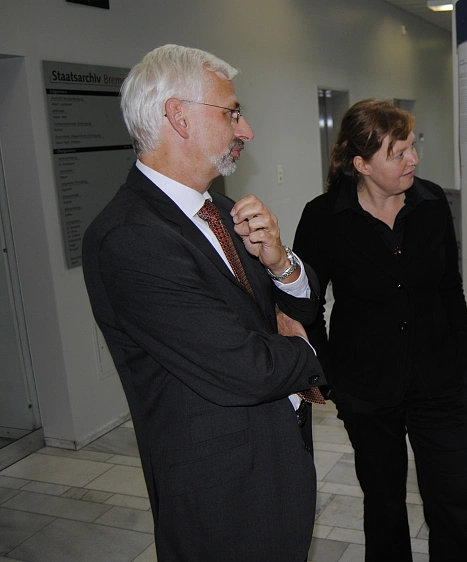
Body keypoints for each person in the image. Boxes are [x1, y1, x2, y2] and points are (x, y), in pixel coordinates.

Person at [82, 45, 324, 562]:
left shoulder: (225, 210)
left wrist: (283, 264)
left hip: (277, 466)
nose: (246, 130)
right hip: (223, 499)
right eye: (232, 112)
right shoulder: (130, 238)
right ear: (178, 116)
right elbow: (245, 367)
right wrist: (306, 353)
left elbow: (295, 315)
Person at [293, 99, 467, 562]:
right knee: (384, 505)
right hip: (366, 386)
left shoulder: (432, 201)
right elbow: (305, 300)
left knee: (455, 502)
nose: (413, 159)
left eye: (412, 147)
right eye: (398, 153)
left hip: (438, 380)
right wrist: (327, 372)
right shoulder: (324, 216)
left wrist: (464, 354)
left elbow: (449, 286)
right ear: (361, 164)